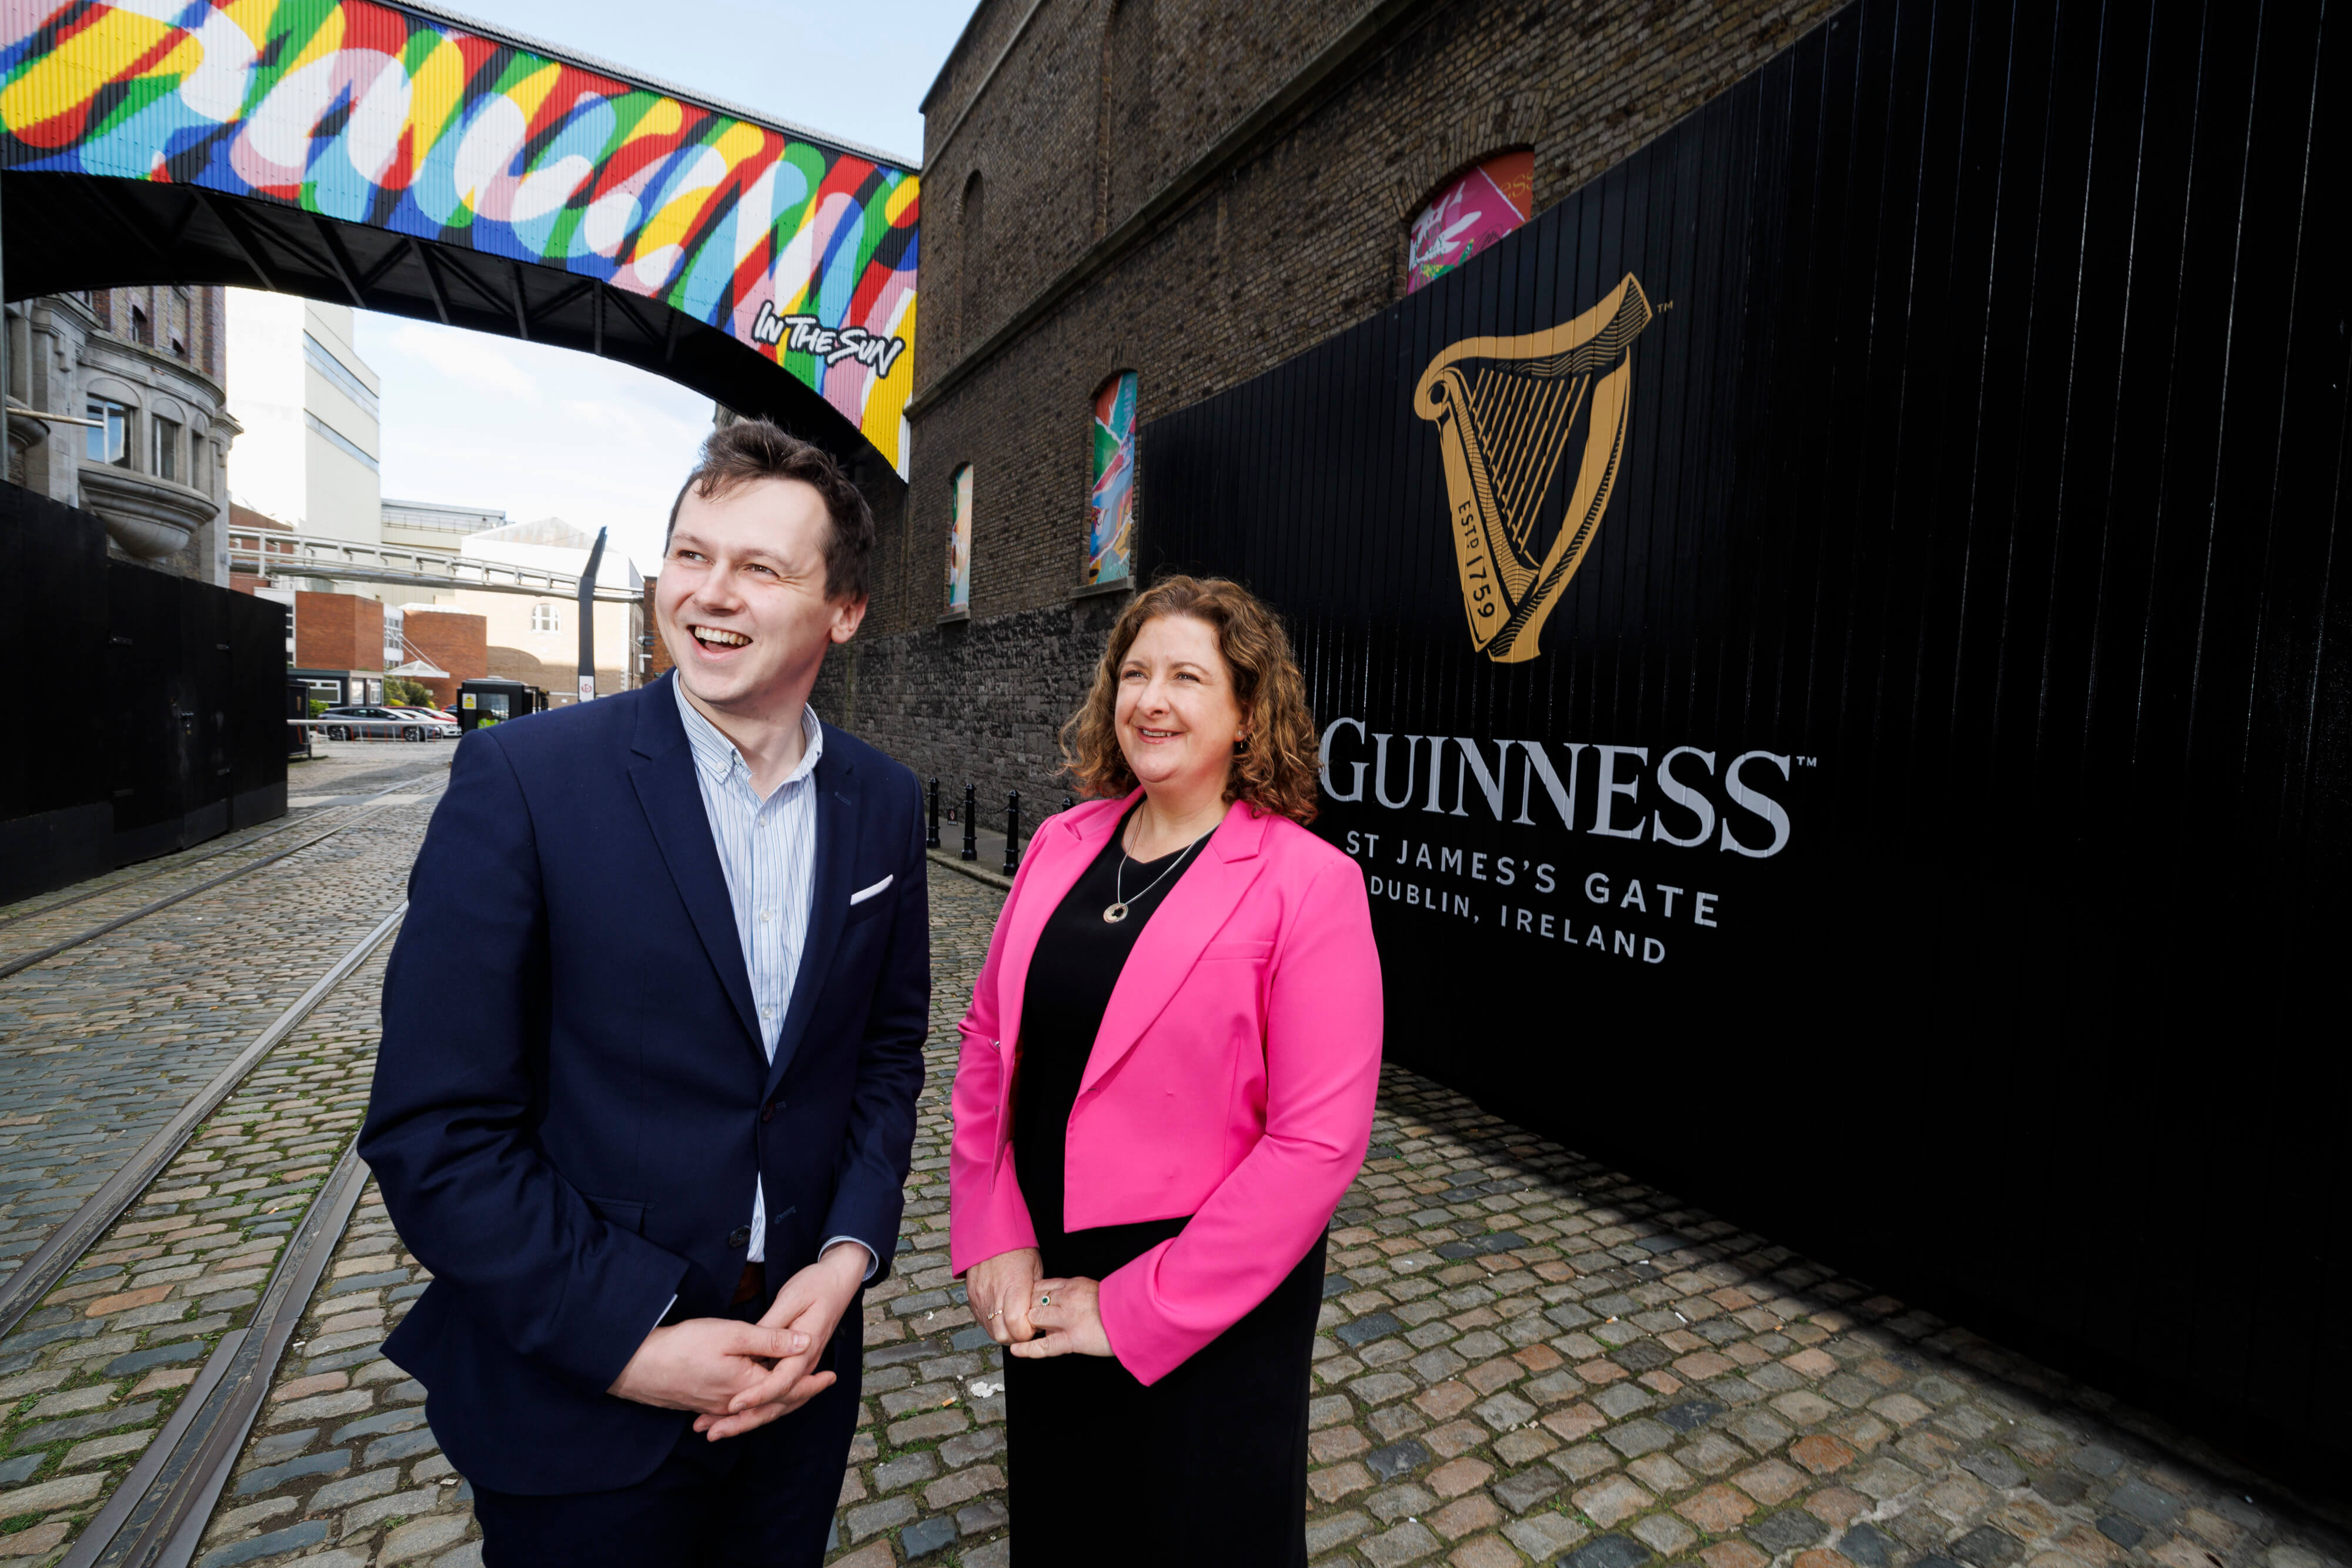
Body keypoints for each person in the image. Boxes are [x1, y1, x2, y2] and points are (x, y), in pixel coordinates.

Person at [361, 419, 929, 1567]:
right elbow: (436, 1129)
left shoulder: (882, 801)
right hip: (581, 1410)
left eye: (759, 567)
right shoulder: (524, 781)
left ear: (845, 607)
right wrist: (629, 1341)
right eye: (688, 553)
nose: (708, 593)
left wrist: (845, 1257)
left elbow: (882, 1053)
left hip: (799, 1373)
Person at [949, 574, 1384, 1562]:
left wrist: (1136, 1306)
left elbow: (1317, 1144)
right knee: (1065, 1526)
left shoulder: (1308, 883)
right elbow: (987, 1041)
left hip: (1213, 1288)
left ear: (1245, 714)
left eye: (1188, 676)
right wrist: (992, 1226)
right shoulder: (1063, 843)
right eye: (1135, 673)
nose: (1151, 698)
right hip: (1049, 1261)